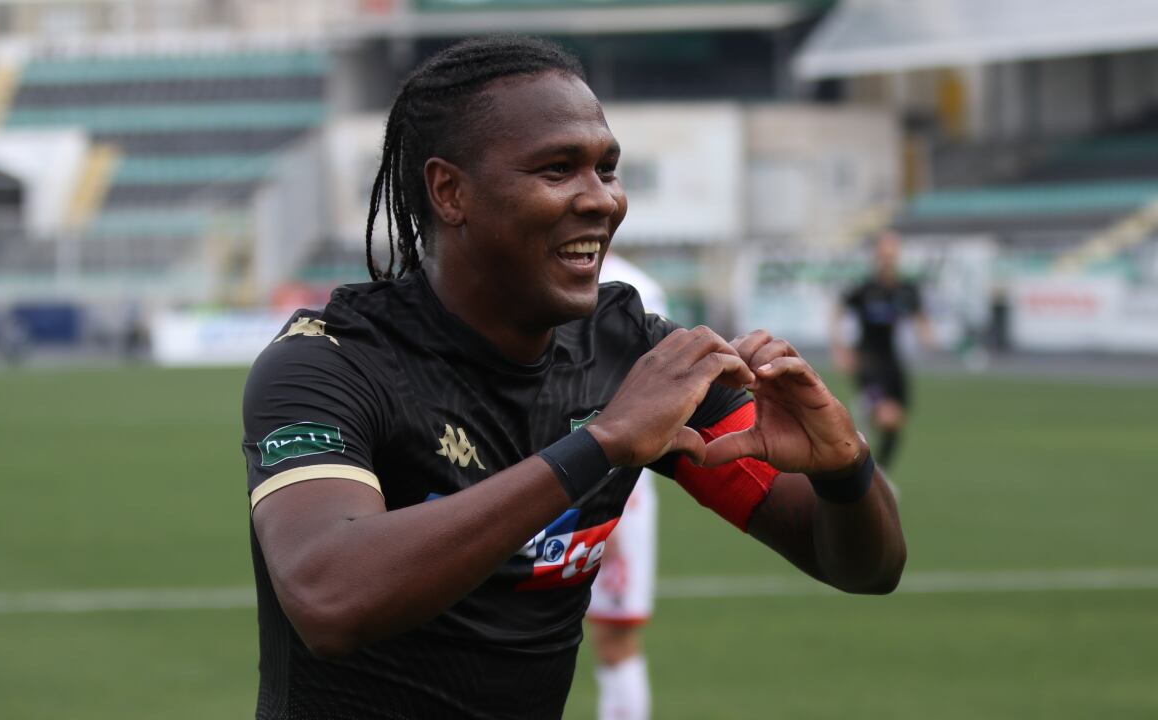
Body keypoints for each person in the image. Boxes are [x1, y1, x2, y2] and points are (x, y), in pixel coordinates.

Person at [242, 36, 906, 720]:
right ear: (449, 191)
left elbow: (865, 569)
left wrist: (844, 468)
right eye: (558, 170)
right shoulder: (329, 362)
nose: (602, 201)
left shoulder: (632, 357)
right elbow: (329, 598)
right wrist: (602, 445)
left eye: (607, 169)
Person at [587, 253, 664, 720]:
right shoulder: (530, 272)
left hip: (617, 490)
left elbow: (642, 400)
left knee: (614, 637)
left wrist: (604, 503)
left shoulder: (636, 288)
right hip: (530, 478)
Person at [830, 231, 933, 474]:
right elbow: (837, 311)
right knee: (887, 416)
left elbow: (921, 317)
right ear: (877, 256)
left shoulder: (906, 289)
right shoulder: (866, 289)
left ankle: (880, 475)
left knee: (896, 424)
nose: (888, 258)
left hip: (892, 362)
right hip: (867, 360)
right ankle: (869, 409)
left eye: (892, 253)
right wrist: (840, 349)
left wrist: (927, 333)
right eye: (884, 253)